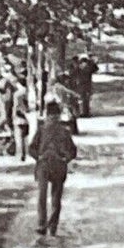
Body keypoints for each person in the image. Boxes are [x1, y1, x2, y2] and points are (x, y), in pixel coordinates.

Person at [30, 97, 77, 236]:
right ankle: (52, 226)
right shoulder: (64, 131)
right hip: (58, 165)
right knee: (56, 198)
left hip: (44, 164)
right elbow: (73, 151)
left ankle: (42, 224)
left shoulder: (42, 130)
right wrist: (65, 159)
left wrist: (38, 157)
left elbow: (31, 148)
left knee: (42, 196)